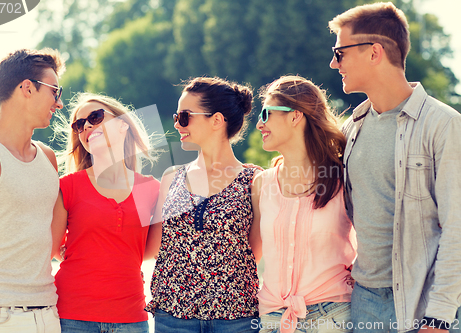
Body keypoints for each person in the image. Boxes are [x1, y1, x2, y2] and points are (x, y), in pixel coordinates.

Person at [328, 2, 461, 332]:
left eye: (340, 52)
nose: (333, 63)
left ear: (374, 52)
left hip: (423, 303)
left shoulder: (443, 125)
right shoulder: (352, 128)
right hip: (364, 302)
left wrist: (440, 314)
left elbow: (458, 227)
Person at [145, 76, 261, 333]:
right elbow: (153, 247)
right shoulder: (170, 177)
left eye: (185, 117)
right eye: (176, 117)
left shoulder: (255, 180)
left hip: (236, 317)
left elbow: (254, 253)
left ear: (217, 120)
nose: (177, 124)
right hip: (173, 315)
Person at [0, 48, 65, 332]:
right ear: (27, 88)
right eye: (55, 91)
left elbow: (54, 243)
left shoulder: (48, 157)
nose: (60, 103)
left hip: (47, 313)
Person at [252, 75, 357, 333]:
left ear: (295, 116)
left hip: (332, 316)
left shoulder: (343, 177)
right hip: (272, 318)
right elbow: (252, 256)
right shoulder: (261, 184)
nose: (259, 124)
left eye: (266, 113)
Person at [50, 93, 161, 333]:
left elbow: (149, 250)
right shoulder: (67, 186)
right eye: (79, 125)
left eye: (96, 117)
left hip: (132, 317)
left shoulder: (150, 188)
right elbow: (49, 248)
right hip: (72, 316)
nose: (87, 126)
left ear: (122, 124)